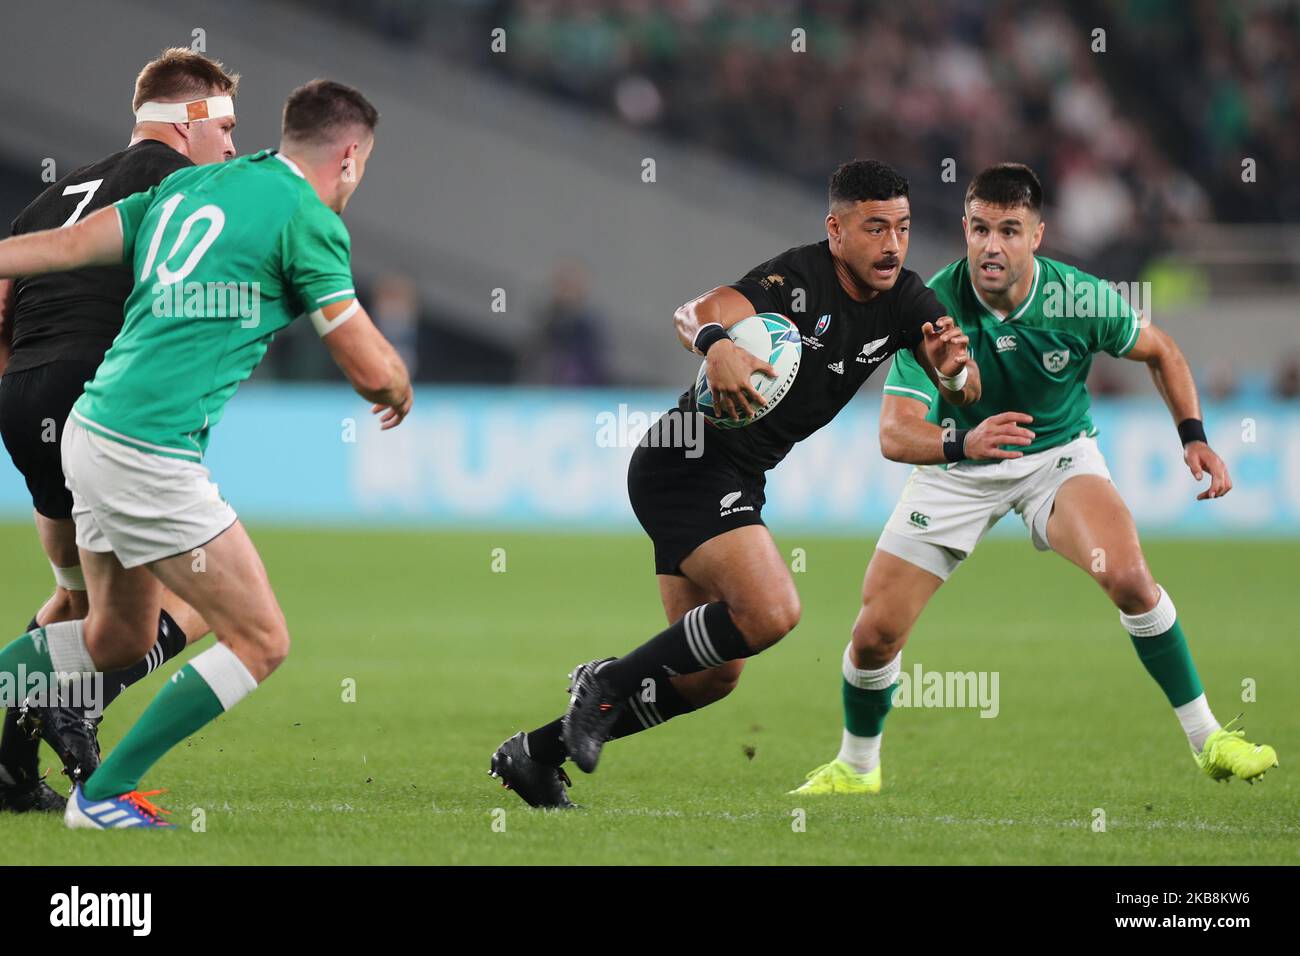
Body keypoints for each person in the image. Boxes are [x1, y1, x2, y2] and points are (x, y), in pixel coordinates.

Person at [491, 159, 977, 808]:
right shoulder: (797, 279)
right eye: (874, 228)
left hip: (736, 474)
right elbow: (698, 311)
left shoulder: (908, 298)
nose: (892, 244)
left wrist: (955, 374)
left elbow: (962, 379)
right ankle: (605, 684)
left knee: (711, 677)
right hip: (684, 462)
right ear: (836, 230)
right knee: (773, 611)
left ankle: (535, 755)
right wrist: (718, 342)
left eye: (903, 228)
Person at [0, 79, 413, 829]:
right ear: (348, 156)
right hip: (146, 446)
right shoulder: (306, 218)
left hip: (92, 432)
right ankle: (102, 797)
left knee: (114, 636)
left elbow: (62, 247)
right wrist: (397, 383)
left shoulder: (198, 184)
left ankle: (68, 763)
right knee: (261, 638)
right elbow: (369, 370)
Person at [793, 163, 1276, 795]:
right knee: (876, 634)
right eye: (980, 229)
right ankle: (858, 768)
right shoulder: (928, 308)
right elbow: (893, 433)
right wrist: (960, 438)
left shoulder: (1078, 299)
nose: (992, 246)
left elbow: (1163, 351)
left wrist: (1194, 438)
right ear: (964, 229)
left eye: (1010, 231)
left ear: (1037, 236)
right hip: (960, 467)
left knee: (1128, 577)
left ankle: (1209, 738)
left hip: (1057, 460)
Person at [0, 47, 240, 811]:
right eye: (226, 124)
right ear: (188, 120)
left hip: (22, 393)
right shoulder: (185, 189)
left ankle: (9, 762)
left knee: (73, 601)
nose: (233, 144)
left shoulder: (50, 199)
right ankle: (81, 701)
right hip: (99, 402)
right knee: (207, 601)